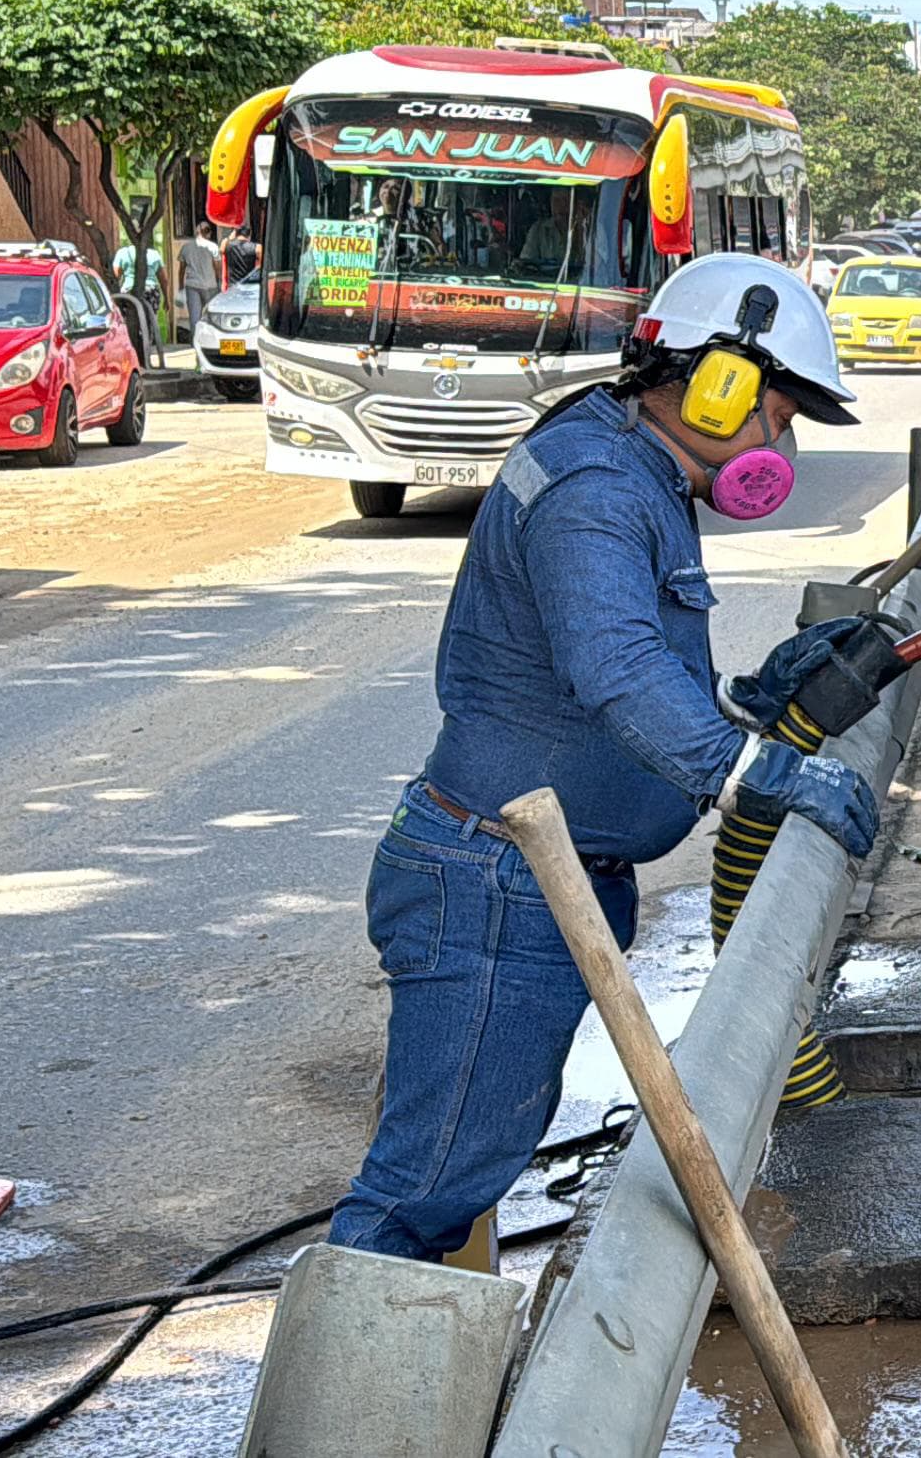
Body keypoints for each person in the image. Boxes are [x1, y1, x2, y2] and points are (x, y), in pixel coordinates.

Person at [328, 253, 885, 1262]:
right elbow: (613, 665)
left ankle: (420, 1397)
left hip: (535, 878)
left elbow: (619, 667)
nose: (782, 445)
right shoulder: (597, 481)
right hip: (501, 882)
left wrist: (747, 705)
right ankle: (343, 1417)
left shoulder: (627, 463)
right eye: (784, 417)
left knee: (459, 1166)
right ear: (723, 389)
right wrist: (752, 769)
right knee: (424, 1189)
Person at [177, 224, 225, 330]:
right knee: (211, 316)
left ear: (197, 232)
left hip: (192, 286)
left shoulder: (186, 247)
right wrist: (220, 282)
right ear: (208, 233)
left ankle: (195, 342)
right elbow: (217, 268)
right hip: (210, 286)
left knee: (194, 318)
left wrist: (180, 286)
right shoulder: (213, 247)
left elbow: (181, 270)